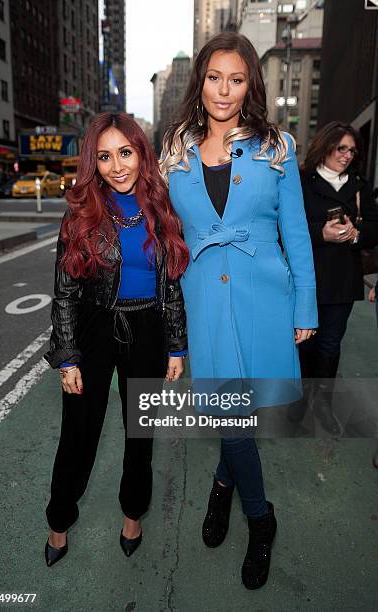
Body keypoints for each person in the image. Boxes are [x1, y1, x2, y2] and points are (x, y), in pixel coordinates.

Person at [161, 32, 317, 589]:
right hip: (205, 300)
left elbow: (296, 233)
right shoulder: (175, 150)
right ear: (199, 81)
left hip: (265, 299)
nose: (223, 90)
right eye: (213, 77)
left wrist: (305, 306)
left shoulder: (276, 146)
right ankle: (261, 516)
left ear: (250, 84)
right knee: (230, 419)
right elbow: (166, 233)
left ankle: (223, 487)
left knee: (243, 416)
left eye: (236, 78)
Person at [43, 112, 189, 566]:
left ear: (141, 153)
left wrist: (176, 344)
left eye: (124, 152)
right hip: (93, 328)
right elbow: (65, 292)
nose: (116, 166)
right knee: (78, 436)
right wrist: (67, 356)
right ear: (93, 162)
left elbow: (171, 284)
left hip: (146, 329)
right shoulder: (82, 214)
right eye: (104, 157)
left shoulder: (160, 208)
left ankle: (132, 514)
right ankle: (59, 521)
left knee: (139, 433)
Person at [299, 122, 378, 435]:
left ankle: (322, 403)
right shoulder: (302, 181)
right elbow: (285, 226)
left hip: (343, 280)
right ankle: (300, 400)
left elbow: (374, 228)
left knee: (330, 345)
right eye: (340, 148)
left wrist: (355, 234)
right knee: (304, 344)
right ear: (325, 146)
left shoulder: (360, 185)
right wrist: (321, 232)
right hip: (308, 278)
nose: (346, 155)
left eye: (352, 150)